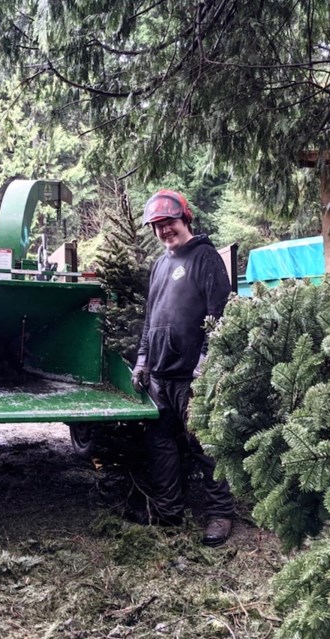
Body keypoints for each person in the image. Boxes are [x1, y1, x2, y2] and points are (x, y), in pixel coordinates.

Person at [131, 189, 237, 547]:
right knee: (160, 445)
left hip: (192, 377)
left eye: (169, 223)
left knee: (205, 447)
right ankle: (168, 510)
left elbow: (222, 317)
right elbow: (150, 319)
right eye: (157, 226)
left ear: (185, 219)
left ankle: (221, 515)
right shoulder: (160, 264)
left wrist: (206, 366)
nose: (163, 231)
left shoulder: (205, 257)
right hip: (159, 376)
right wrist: (143, 361)